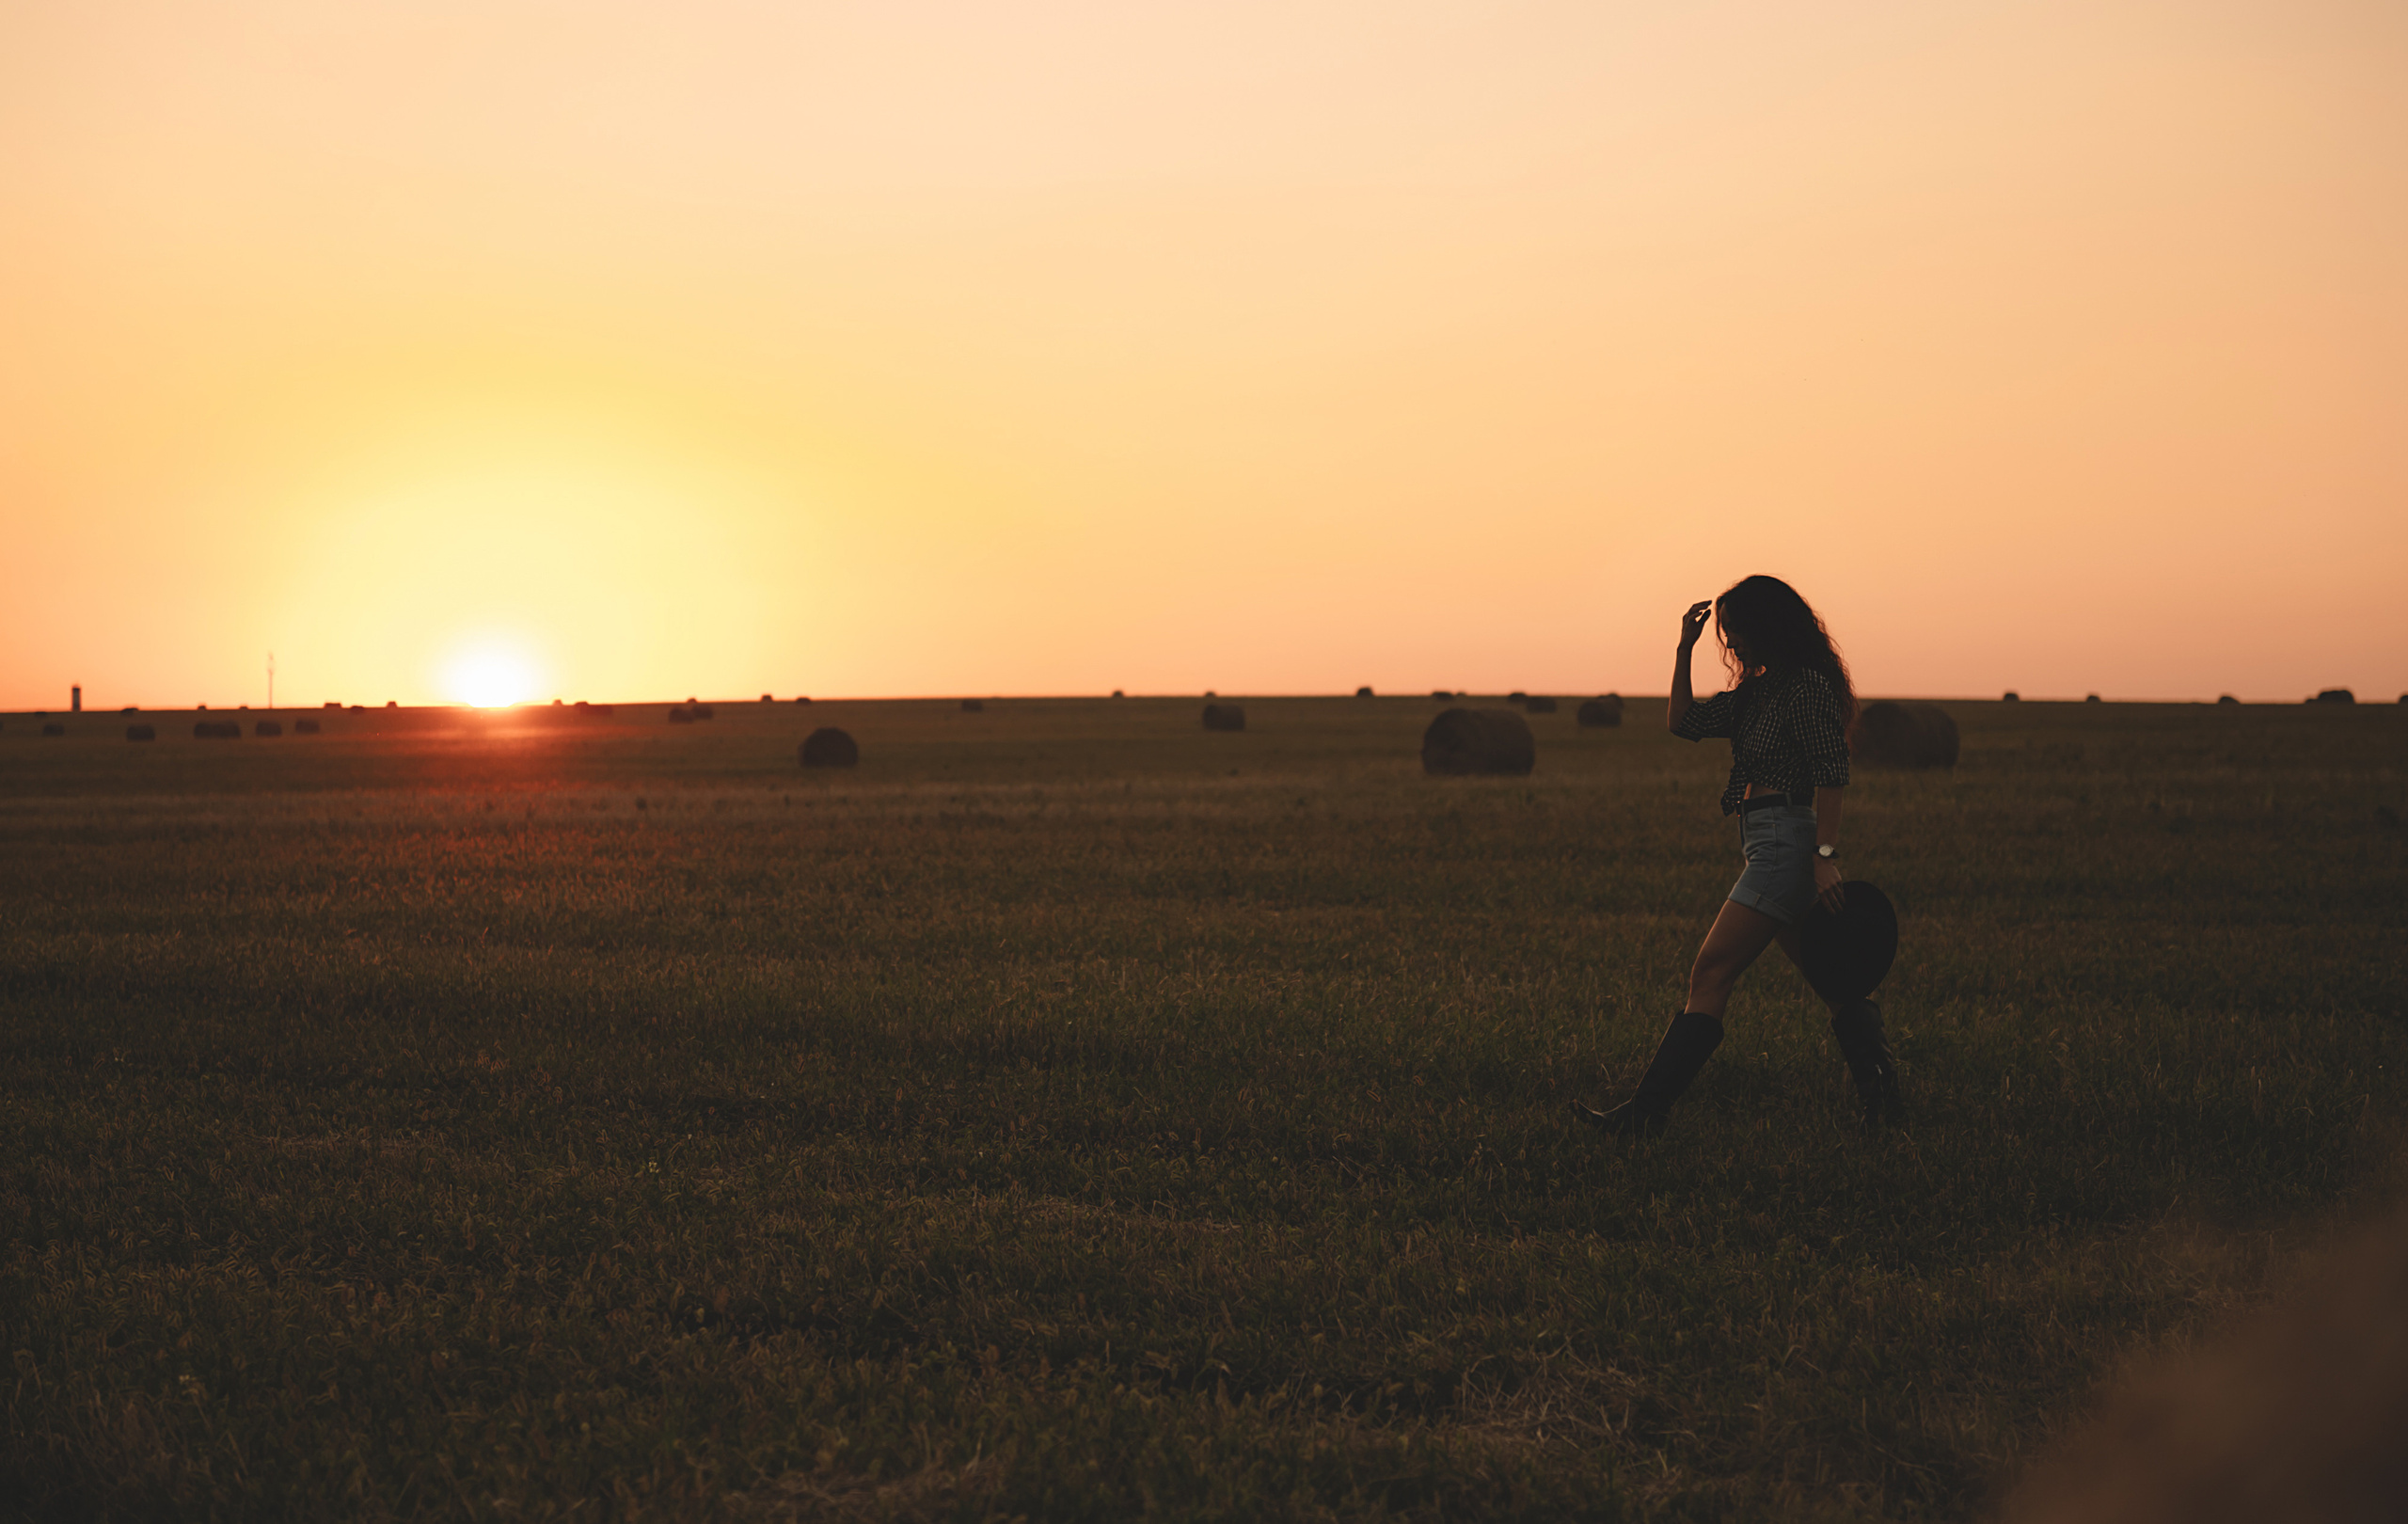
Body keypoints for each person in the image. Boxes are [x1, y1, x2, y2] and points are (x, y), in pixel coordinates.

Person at [1573, 575, 1904, 1137]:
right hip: (1767, 842)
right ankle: (1886, 1102)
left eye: (1739, 632)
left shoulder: (1806, 688)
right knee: (1835, 980)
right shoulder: (1760, 691)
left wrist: (1824, 855)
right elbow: (1682, 723)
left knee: (1711, 971)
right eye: (1727, 635)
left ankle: (1644, 1118)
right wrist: (1684, 649)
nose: (1734, 645)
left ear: (1771, 625)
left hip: (1784, 846)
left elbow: (1831, 773)